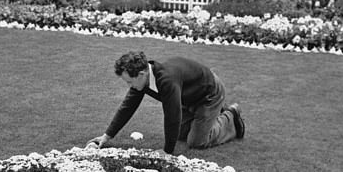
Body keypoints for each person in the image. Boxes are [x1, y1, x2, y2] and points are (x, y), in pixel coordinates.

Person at [86, 51, 244, 155]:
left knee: (196, 142)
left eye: (129, 82)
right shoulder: (143, 80)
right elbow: (127, 107)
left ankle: (231, 116)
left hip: (208, 94)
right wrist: (107, 136)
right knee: (181, 135)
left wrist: (167, 151)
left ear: (141, 74)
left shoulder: (166, 80)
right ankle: (212, 116)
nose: (129, 86)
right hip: (188, 96)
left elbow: (172, 116)